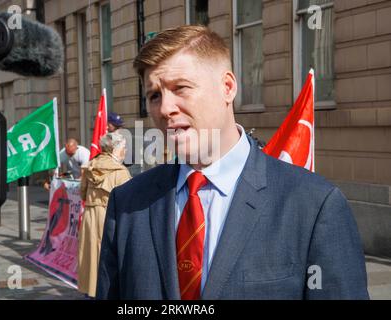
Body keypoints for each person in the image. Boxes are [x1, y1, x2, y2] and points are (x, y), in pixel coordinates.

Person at [96, 26, 369, 299]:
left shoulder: (313, 205)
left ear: (227, 87)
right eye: (154, 95)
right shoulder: (128, 204)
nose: (165, 109)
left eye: (181, 88)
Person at [78, 132, 131, 298]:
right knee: (109, 259)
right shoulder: (120, 172)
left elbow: (82, 193)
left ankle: (90, 293)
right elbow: (129, 202)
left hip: (89, 216)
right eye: (123, 147)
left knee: (90, 258)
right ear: (115, 149)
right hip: (110, 218)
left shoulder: (90, 166)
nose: (126, 151)